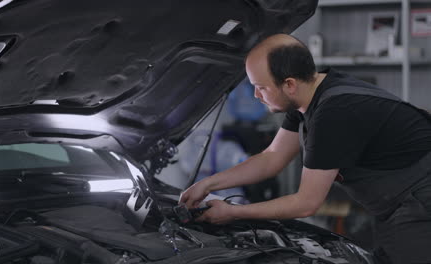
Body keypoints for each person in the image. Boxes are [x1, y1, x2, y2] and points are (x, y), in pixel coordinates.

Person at [179, 34, 431, 264]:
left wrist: (235, 213)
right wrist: (208, 185)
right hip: (398, 204)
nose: (256, 95)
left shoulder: (333, 113)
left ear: (289, 84)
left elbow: (306, 203)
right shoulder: (309, 97)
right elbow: (272, 157)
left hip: (420, 202)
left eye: (262, 87)